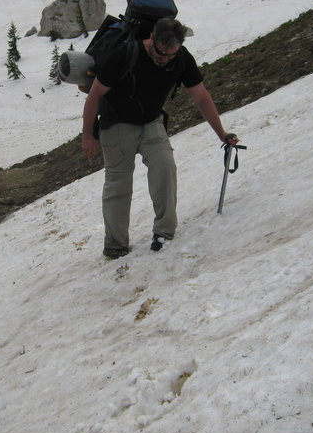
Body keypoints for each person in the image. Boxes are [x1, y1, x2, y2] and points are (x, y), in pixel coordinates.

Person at [82, 17, 239, 259]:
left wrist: (222, 133)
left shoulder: (182, 58)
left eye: (170, 55)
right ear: (152, 38)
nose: (164, 59)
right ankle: (115, 244)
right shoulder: (125, 54)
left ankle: (164, 232)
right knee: (118, 184)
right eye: (160, 53)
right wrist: (88, 135)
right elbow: (94, 96)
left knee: (165, 167)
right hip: (116, 123)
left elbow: (201, 97)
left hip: (152, 121)